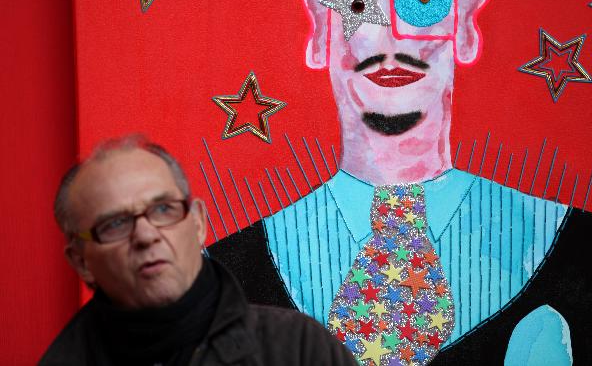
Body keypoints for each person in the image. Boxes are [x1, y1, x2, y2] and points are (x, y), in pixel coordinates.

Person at [208, 0, 592, 364]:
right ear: (321, 28)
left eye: (423, 0)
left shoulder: (576, 245)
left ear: (465, 24)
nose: (392, 40)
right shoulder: (227, 269)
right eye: (360, 7)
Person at [40, 136, 358, 366]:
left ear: (198, 224)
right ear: (81, 262)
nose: (146, 235)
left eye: (163, 209)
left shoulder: (300, 349)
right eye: (115, 224)